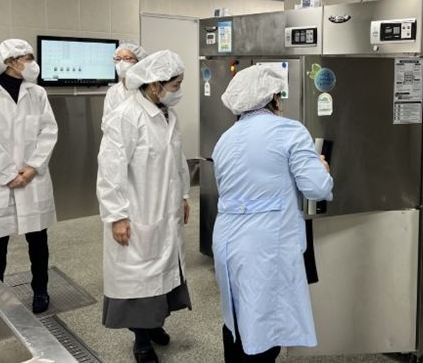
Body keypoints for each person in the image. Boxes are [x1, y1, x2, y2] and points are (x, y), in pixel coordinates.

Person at [212, 65, 333, 362]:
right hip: (266, 244)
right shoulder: (288, 130)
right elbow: (316, 188)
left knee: (237, 317)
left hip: (227, 241)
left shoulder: (224, 139)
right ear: (274, 98)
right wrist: (322, 169)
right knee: (265, 323)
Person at [96, 50, 192, 363]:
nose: (178, 90)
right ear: (154, 85)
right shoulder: (126, 116)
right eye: (175, 85)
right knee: (139, 280)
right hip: (137, 211)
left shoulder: (168, 115)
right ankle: (141, 341)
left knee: (163, 273)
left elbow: (177, 159)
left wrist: (184, 196)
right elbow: (110, 170)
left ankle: (153, 325)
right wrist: (117, 216)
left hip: (166, 208)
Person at [0, 39, 58, 314]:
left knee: (38, 239)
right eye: (27, 58)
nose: (32, 63)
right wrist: (8, 174)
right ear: (10, 62)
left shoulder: (37, 93)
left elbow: (49, 131)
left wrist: (32, 167)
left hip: (32, 178)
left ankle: (40, 290)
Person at [103, 42, 148, 120]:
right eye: (118, 59)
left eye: (127, 58)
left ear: (139, 62)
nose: (121, 63)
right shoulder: (113, 92)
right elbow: (107, 121)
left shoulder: (148, 88)